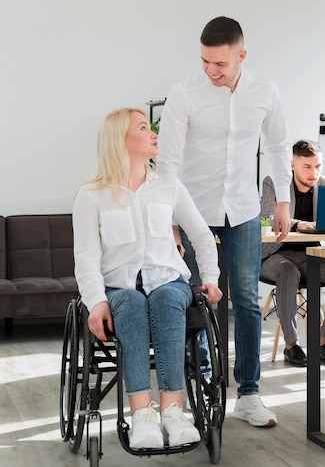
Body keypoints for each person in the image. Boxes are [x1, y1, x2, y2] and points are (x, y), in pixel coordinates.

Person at [157, 16, 292, 427]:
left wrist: (284, 200)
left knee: (247, 301)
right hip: (193, 210)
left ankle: (249, 394)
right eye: (205, 63)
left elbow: (278, 144)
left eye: (220, 64)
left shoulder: (264, 91)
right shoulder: (185, 93)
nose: (211, 71)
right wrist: (169, 217)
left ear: (241, 55)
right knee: (197, 298)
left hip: (244, 210)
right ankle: (200, 387)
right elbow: (168, 161)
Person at [73, 108, 223, 449]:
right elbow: (85, 256)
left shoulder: (168, 186)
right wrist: (96, 302)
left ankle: (173, 411)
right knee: (130, 299)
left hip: (169, 283)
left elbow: (200, 235)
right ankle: (141, 415)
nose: (154, 132)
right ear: (121, 141)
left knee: (166, 297)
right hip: (119, 288)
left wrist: (211, 278)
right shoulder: (91, 195)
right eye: (144, 128)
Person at [260, 140, 325, 367]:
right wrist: (299, 224)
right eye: (307, 167)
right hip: (274, 255)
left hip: (311, 255)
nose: (314, 173)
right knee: (287, 271)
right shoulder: (274, 182)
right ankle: (291, 346)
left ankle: (323, 343)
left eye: (318, 166)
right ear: (292, 165)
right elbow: (268, 216)